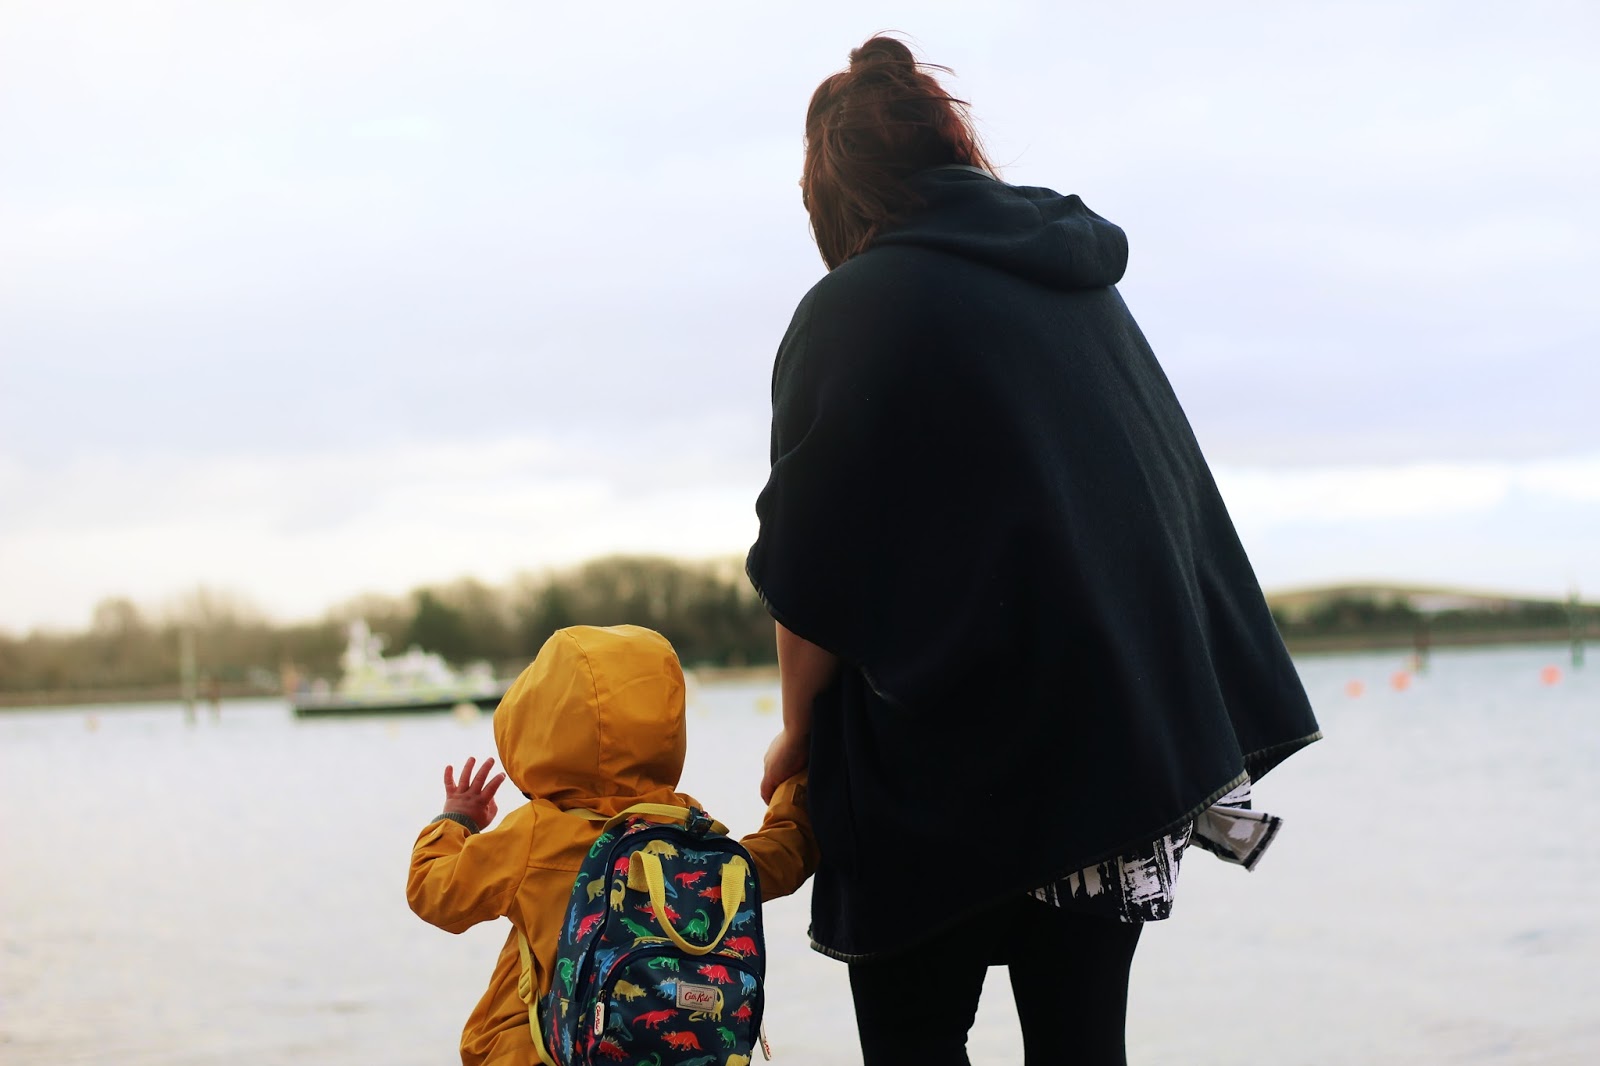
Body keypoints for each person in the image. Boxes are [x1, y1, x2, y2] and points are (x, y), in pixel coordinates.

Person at [747, 34, 1323, 1066]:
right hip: (1109, 759)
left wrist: (796, 734)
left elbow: (811, 564)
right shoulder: (1077, 280)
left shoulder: (850, 308)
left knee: (915, 1045)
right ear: (950, 149)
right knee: (1083, 1046)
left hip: (937, 781)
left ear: (832, 194)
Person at [407, 624, 819, 1066]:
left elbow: (434, 892)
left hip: (537, 1055)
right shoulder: (689, 832)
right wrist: (800, 781)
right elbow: (782, 857)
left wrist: (457, 819)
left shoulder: (535, 835)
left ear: (536, 726)